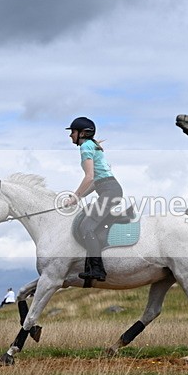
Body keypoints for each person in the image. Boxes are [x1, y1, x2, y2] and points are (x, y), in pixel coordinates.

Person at [64, 116, 123, 282]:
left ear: (82, 133)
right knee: (88, 225)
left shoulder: (85, 147)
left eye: (73, 132)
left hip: (109, 191)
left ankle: (97, 270)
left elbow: (89, 177)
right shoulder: (91, 145)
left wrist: (75, 196)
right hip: (109, 189)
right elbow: (96, 182)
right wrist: (78, 198)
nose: (70, 136)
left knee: (86, 227)